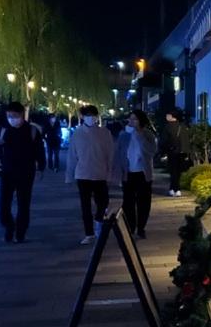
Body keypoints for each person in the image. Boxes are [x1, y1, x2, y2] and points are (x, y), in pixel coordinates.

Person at [0, 102, 45, 243]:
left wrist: (41, 167)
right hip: (7, 171)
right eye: (9, 116)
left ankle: (20, 233)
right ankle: (9, 226)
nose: (11, 118)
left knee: (24, 203)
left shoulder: (32, 131)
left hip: (26, 172)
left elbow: (39, 150)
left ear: (22, 114)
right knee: (4, 203)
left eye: (14, 115)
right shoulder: (3, 130)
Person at [65, 104, 116, 245]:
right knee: (85, 206)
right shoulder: (77, 134)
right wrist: (69, 176)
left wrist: (110, 173)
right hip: (83, 174)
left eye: (93, 115)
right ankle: (89, 233)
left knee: (103, 202)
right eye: (88, 115)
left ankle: (99, 222)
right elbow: (72, 156)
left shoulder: (105, 133)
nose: (91, 118)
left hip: (100, 174)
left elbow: (110, 155)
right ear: (82, 117)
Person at [115, 109, 158, 238]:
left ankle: (141, 227)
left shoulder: (147, 134)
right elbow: (119, 153)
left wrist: (139, 135)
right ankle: (131, 227)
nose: (132, 121)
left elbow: (151, 151)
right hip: (128, 173)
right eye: (130, 119)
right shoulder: (123, 135)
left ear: (140, 120)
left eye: (135, 119)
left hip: (143, 173)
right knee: (128, 202)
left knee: (143, 202)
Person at [160, 110, 191, 197]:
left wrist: (163, 152)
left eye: (167, 115)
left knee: (172, 171)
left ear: (171, 116)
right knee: (178, 172)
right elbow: (186, 140)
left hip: (172, 152)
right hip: (182, 152)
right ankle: (176, 189)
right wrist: (187, 152)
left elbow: (163, 141)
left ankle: (174, 189)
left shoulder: (167, 127)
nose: (166, 117)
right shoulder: (182, 126)